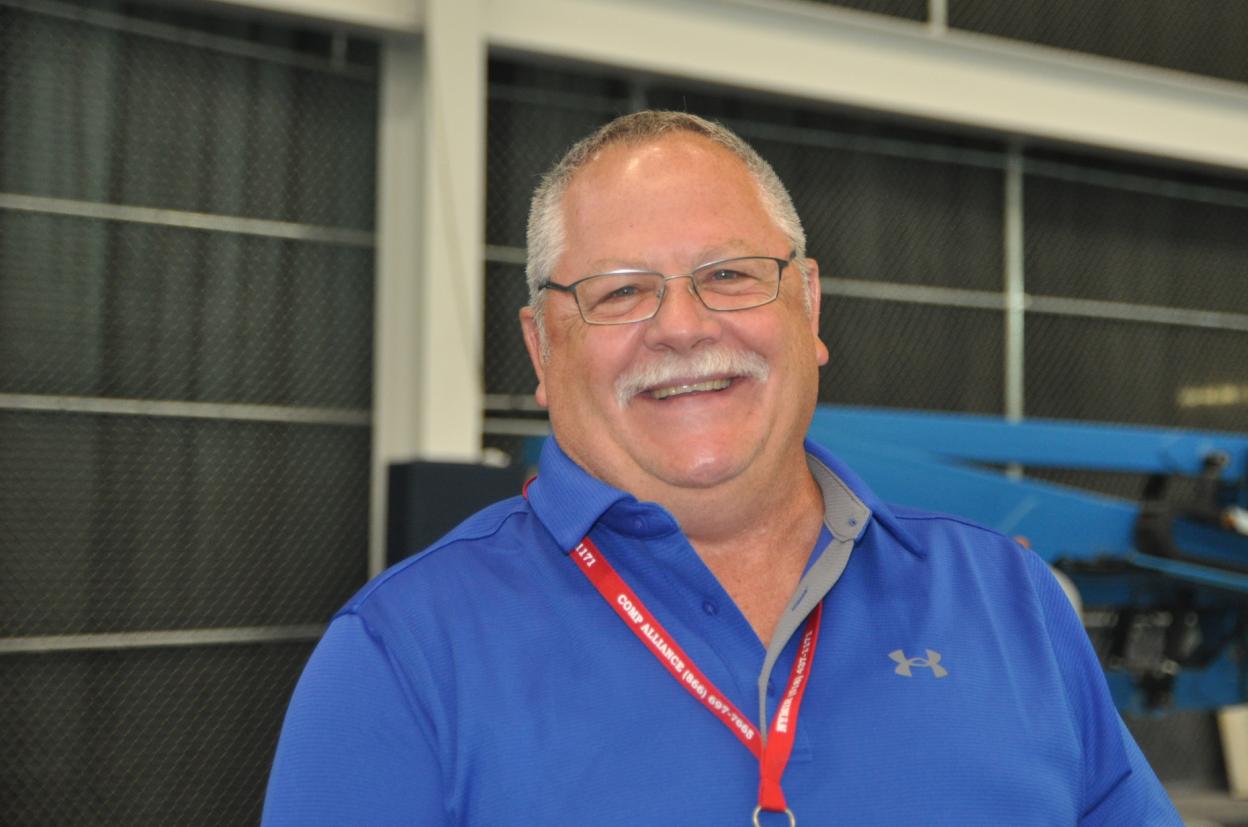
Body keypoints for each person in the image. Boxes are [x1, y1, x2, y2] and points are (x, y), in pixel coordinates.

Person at [263, 111, 1182, 826]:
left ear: (809, 304)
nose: (684, 327)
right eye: (620, 291)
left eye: (732, 274)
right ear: (542, 350)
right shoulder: (401, 659)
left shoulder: (1010, 603)